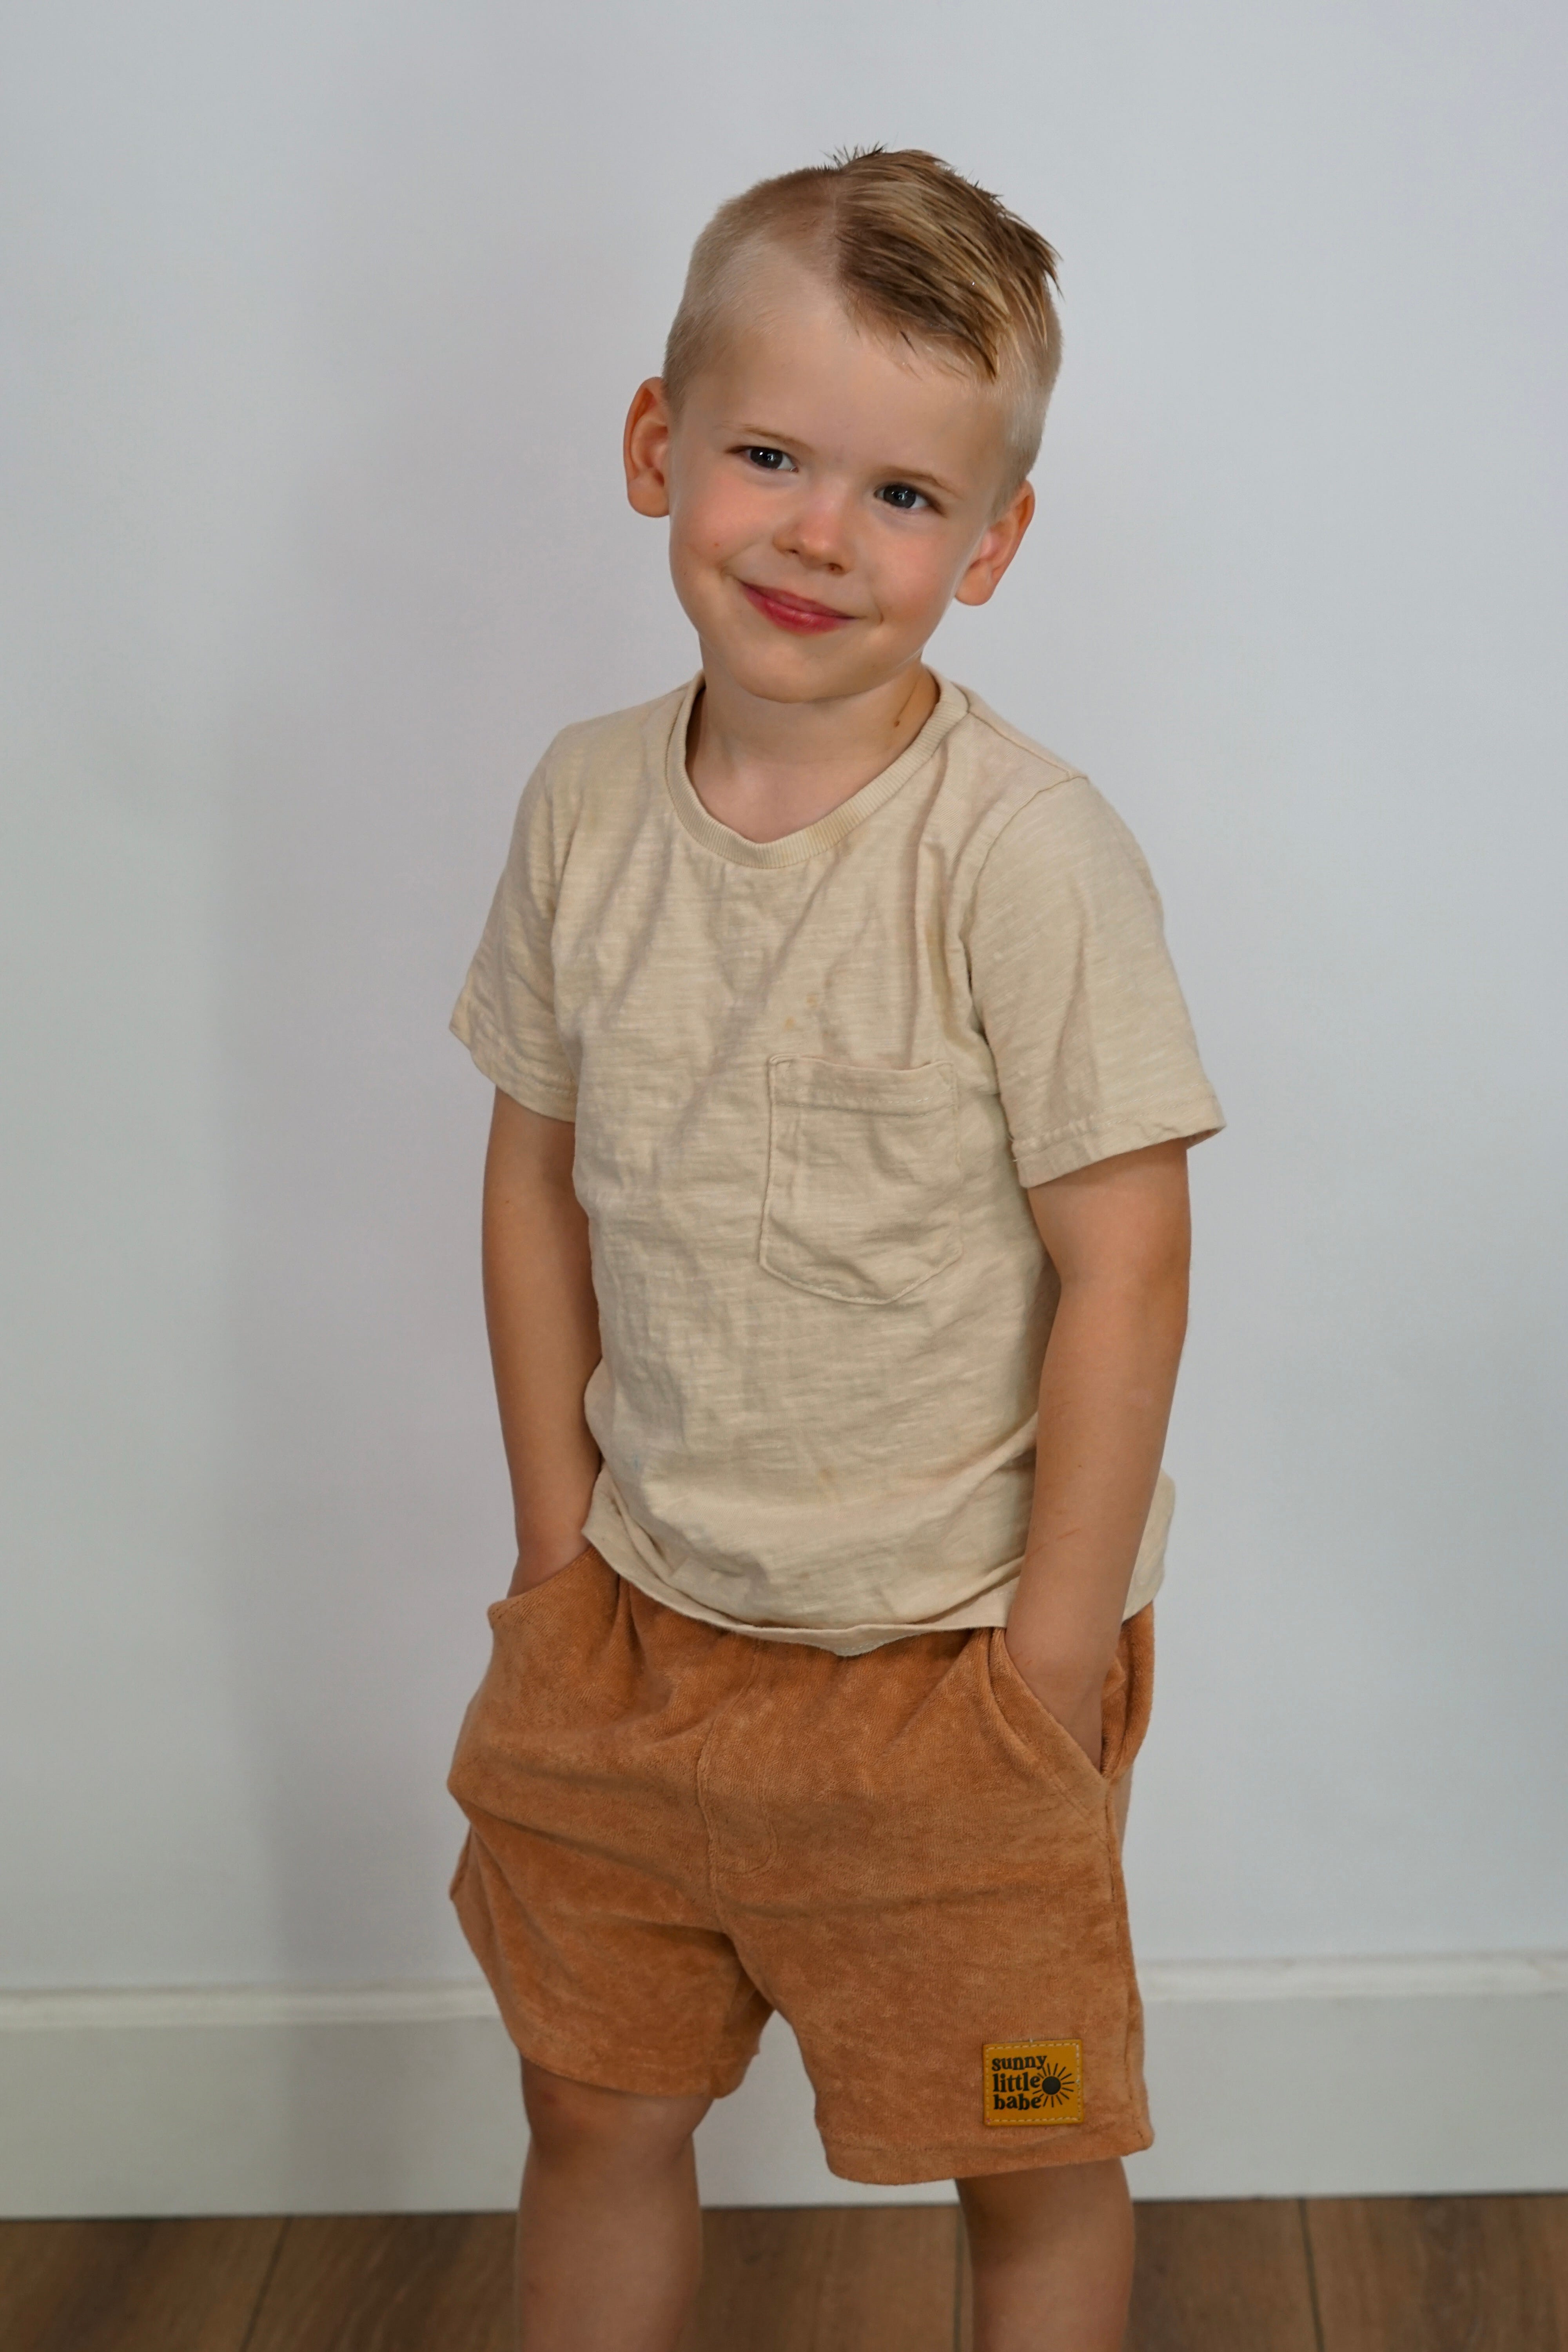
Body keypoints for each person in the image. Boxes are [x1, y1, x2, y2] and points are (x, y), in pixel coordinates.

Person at [446, 147, 1223, 2352]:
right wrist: (556, 1555)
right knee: (594, 2105)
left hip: (950, 1657)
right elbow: (531, 1176)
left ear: (993, 544)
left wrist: (1046, 1674)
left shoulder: (1025, 852)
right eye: (771, 455)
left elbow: (1130, 1266)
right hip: (637, 1631)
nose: (817, 535)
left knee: (1027, 2141)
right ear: (655, 443)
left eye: (901, 494)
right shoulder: (585, 802)